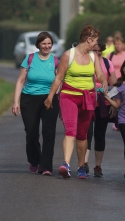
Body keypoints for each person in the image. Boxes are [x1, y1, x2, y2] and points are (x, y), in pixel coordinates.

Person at [44, 25, 108, 179]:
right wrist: (50, 97)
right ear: (88, 40)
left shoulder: (93, 56)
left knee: (82, 134)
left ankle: (80, 166)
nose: (96, 45)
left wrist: (104, 82)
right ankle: (65, 164)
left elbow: (99, 74)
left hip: (88, 98)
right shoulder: (68, 55)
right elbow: (59, 77)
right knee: (70, 130)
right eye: (95, 41)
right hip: (69, 96)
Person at [12, 32, 60, 176]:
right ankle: (34, 160)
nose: (47, 46)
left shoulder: (56, 61)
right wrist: (16, 102)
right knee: (31, 133)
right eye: (44, 43)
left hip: (50, 99)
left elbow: (59, 83)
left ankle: (46, 167)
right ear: (38, 44)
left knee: (49, 132)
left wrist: (59, 100)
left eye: (49, 43)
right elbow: (21, 81)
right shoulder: (30, 58)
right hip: (29, 99)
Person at [85, 39, 117, 177]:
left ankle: (98, 165)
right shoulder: (84, 62)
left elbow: (114, 85)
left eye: (100, 51)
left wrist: (115, 105)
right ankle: (84, 163)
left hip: (104, 103)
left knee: (100, 134)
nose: (97, 53)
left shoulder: (106, 63)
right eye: (95, 50)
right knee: (86, 134)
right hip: (87, 101)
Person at [107, 36, 125, 131]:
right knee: (115, 102)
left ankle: (123, 121)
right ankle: (116, 121)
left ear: (123, 45)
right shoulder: (110, 55)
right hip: (113, 82)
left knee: (123, 102)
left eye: (119, 44)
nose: (117, 46)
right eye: (116, 44)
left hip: (123, 81)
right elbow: (105, 67)